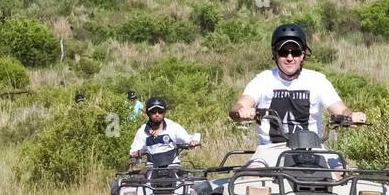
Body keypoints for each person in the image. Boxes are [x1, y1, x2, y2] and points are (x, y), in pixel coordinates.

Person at [229, 23, 365, 144]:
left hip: (312, 148)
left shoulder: (317, 81)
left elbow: (340, 110)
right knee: (250, 173)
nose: (289, 58)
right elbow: (238, 107)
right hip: (270, 151)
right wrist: (242, 112)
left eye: (295, 52)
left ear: (303, 55)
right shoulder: (262, 80)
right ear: (275, 55)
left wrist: (351, 117)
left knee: (340, 172)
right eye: (283, 52)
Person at [128, 96, 199, 167]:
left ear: (164, 113)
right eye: (153, 112)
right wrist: (136, 153)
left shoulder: (173, 127)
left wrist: (193, 141)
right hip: (152, 168)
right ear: (148, 114)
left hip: (173, 166)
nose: (157, 114)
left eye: (160, 111)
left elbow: (188, 138)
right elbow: (133, 151)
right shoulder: (142, 131)